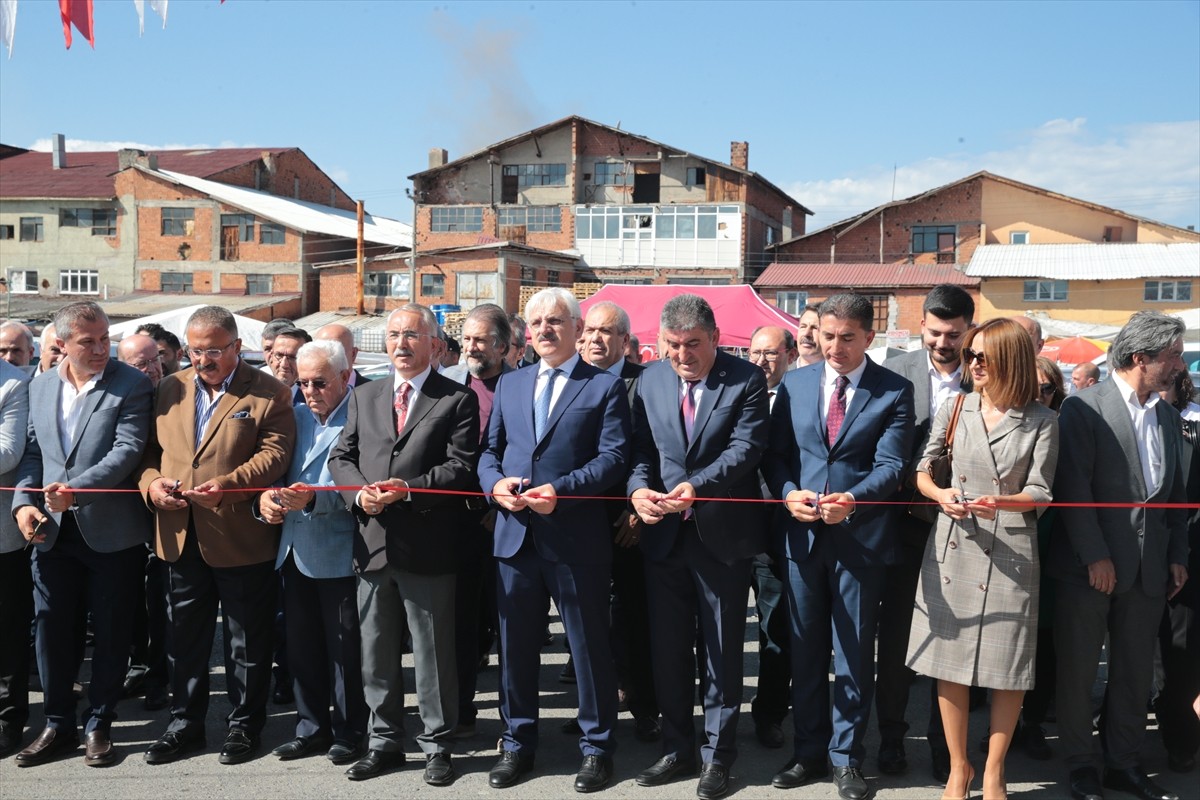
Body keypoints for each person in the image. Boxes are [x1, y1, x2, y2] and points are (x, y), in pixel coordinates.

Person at [762, 293, 914, 800]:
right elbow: (776, 457)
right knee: (805, 651)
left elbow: (893, 467)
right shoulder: (796, 384)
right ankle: (808, 752)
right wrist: (788, 495)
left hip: (860, 541)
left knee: (852, 652)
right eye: (828, 336)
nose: (835, 347)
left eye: (847, 338)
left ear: (870, 337)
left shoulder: (894, 390)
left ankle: (847, 758)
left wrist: (853, 498)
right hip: (803, 537)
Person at [478, 287, 630, 793]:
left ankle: (597, 747)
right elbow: (489, 452)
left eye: (556, 320)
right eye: (536, 321)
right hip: (515, 538)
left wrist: (560, 491)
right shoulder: (512, 385)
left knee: (588, 649)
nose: (545, 329)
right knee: (515, 649)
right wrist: (494, 485)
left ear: (578, 328)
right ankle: (517, 742)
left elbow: (612, 459)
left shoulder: (603, 387)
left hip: (574, 538)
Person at [906, 317, 1060, 800]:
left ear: (1009, 361)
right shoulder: (955, 407)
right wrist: (939, 494)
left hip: (1011, 552)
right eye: (970, 354)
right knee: (949, 666)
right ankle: (959, 767)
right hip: (954, 547)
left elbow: (1041, 491)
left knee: (1006, 668)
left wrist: (1004, 501)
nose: (971, 363)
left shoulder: (1043, 420)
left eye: (981, 356)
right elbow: (924, 467)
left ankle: (993, 770)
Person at [328, 303, 479, 785]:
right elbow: (342, 455)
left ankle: (438, 744)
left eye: (412, 335)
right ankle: (384, 741)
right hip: (372, 545)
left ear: (434, 344)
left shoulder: (456, 398)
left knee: (433, 653)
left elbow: (461, 467)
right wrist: (358, 494)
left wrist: (408, 488)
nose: (401, 344)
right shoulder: (365, 396)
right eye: (393, 334)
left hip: (428, 545)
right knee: (376, 651)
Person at [137, 305, 295, 766]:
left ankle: (245, 725)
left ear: (237, 347)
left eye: (213, 351)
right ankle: (185, 724)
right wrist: (152, 485)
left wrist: (226, 487)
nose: (202, 360)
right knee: (184, 638)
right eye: (195, 350)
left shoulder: (269, 391)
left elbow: (275, 455)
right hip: (179, 532)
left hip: (239, 534)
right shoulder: (170, 386)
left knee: (246, 640)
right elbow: (150, 451)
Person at [629, 294, 769, 800]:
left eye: (692, 345)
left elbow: (747, 449)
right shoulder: (650, 379)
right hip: (663, 537)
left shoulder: (745, 379)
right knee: (668, 651)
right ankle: (676, 747)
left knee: (722, 650)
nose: (682, 355)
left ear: (714, 338)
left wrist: (697, 486)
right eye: (672, 346)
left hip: (720, 537)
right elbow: (642, 450)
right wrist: (638, 491)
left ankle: (718, 755)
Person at [1048, 310, 1189, 800]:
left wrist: (1177, 554)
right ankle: (1081, 765)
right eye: (1171, 355)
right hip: (1091, 568)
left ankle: (1122, 763)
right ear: (1139, 357)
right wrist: (1095, 555)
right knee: (1079, 671)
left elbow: (1172, 498)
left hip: (1150, 574)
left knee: (1133, 675)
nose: (1178, 363)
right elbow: (1073, 489)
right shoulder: (1084, 407)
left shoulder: (1169, 416)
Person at [12, 301, 154, 768]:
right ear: (61, 344)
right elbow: (33, 454)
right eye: (87, 341)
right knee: (52, 629)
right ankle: (57, 722)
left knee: (112, 631)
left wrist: (76, 490)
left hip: (110, 530)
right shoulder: (39, 385)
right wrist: (23, 503)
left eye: (104, 338)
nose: (99, 348)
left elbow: (128, 450)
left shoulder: (130, 383)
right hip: (51, 531)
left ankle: (100, 723)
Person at [876, 283, 975, 781]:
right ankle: (891, 737)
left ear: (968, 332)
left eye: (953, 335)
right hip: (900, 530)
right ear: (921, 328)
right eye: (934, 333)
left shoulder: (984, 378)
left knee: (950, 646)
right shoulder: (893, 375)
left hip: (963, 532)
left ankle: (945, 746)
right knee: (896, 642)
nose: (942, 343)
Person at [262, 340, 368, 767]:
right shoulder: (295, 415)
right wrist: (266, 501)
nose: (310, 391)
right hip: (292, 548)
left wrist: (312, 501)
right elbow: (275, 470)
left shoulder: (363, 414)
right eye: (303, 382)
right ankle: (310, 728)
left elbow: (361, 481)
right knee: (301, 647)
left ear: (345, 377)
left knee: (344, 650)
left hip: (339, 548)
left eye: (320, 382)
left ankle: (350, 730)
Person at [581, 300, 659, 743]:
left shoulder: (644, 384)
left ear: (625, 341)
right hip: (577, 518)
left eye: (606, 332)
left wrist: (635, 509)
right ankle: (597, 707)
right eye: (590, 330)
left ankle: (645, 708)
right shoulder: (570, 380)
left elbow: (649, 450)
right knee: (589, 622)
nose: (596, 339)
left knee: (633, 617)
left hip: (626, 520)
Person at [440, 303, 513, 739]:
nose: (471, 347)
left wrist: (496, 506)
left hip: (505, 523)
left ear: (502, 347)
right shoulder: (447, 384)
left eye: (482, 340)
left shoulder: (521, 386)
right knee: (460, 625)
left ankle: (514, 718)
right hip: (455, 527)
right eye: (467, 339)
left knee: (508, 624)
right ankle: (462, 711)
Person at [747, 325, 799, 750]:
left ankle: (770, 713)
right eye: (755, 353)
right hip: (729, 527)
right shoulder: (737, 392)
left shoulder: (800, 394)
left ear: (790, 354)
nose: (761, 361)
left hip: (779, 528)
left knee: (774, 627)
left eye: (770, 353)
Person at [115, 333, 169, 712]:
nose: (151, 369)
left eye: (157, 360)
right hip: (124, 516)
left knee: (164, 602)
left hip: (170, 512)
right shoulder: (117, 396)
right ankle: (138, 665)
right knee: (130, 602)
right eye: (141, 363)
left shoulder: (177, 393)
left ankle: (161, 677)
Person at [1154, 370, 1200, 774]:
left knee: (1179, 654)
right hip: (1136, 556)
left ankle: (1181, 738)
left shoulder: (1192, 428)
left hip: (1186, 557)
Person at [0, 358, 31, 757]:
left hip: (2, 539)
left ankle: (8, 719)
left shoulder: (13, 383)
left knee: (7, 633)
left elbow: (8, 452)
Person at [314, 323, 370, 387]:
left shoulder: (377, 392)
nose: (328, 358)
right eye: (322, 351)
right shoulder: (305, 393)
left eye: (336, 351)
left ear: (353, 354)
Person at [268, 327, 313, 405]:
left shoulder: (313, 403)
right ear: (271, 356)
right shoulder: (253, 394)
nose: (284, 364)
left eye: (292, 357)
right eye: (279, 355)